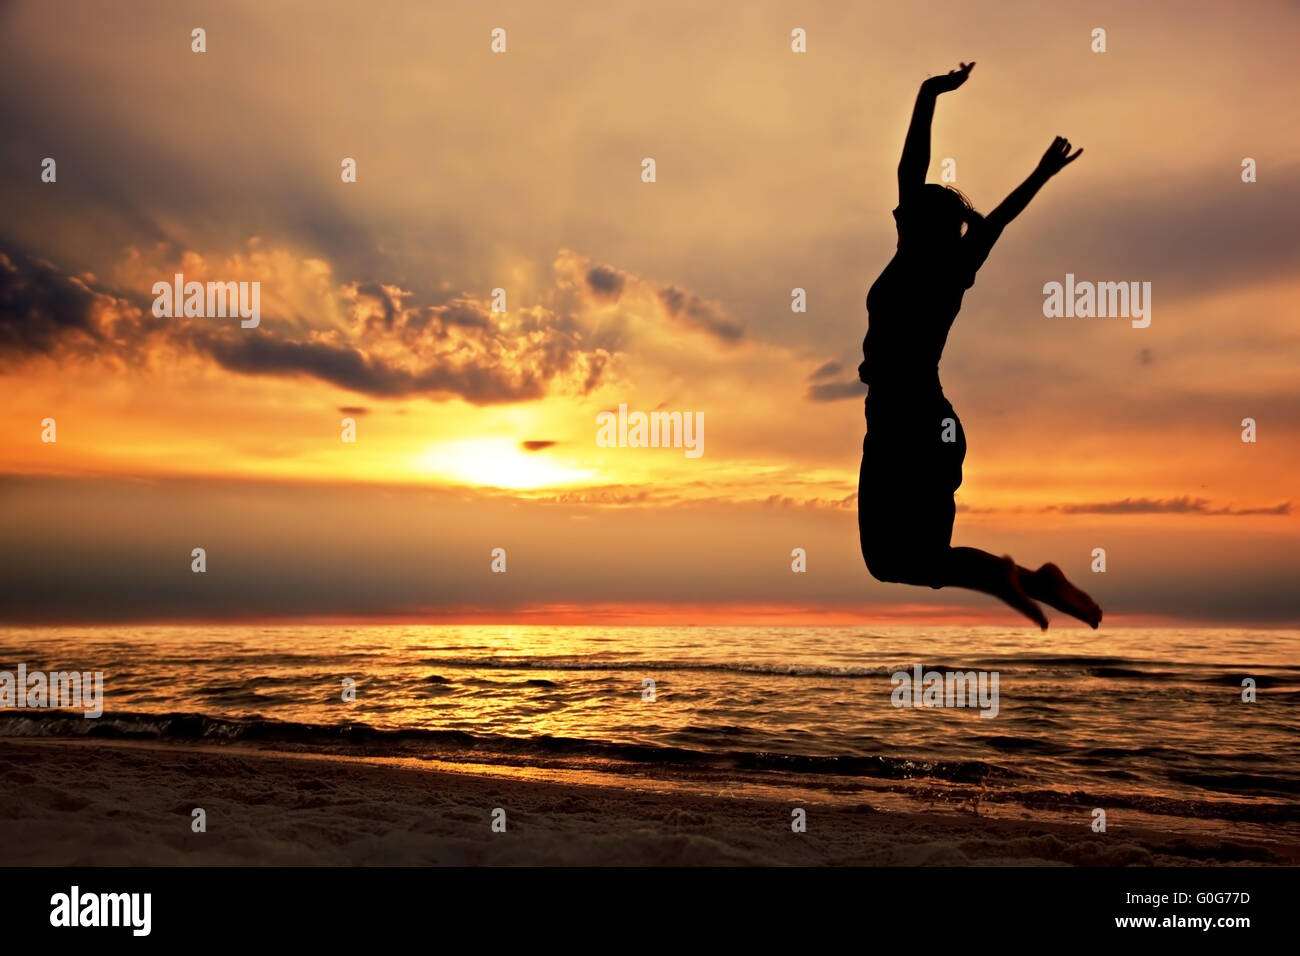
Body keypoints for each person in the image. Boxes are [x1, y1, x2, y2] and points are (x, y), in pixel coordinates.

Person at [857, 61, 1101, 630]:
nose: (906, 205)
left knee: (906, 560)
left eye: (918, 207)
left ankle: (1016, 581)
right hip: (900, 421)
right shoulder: (916, 251)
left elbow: (995, 219)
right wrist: (927, 94)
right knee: (889, 563)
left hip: (919, 421)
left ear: (934, 226)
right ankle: (1032, 582)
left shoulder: (950, 263)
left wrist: (1041, 175)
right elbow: (912, 168)